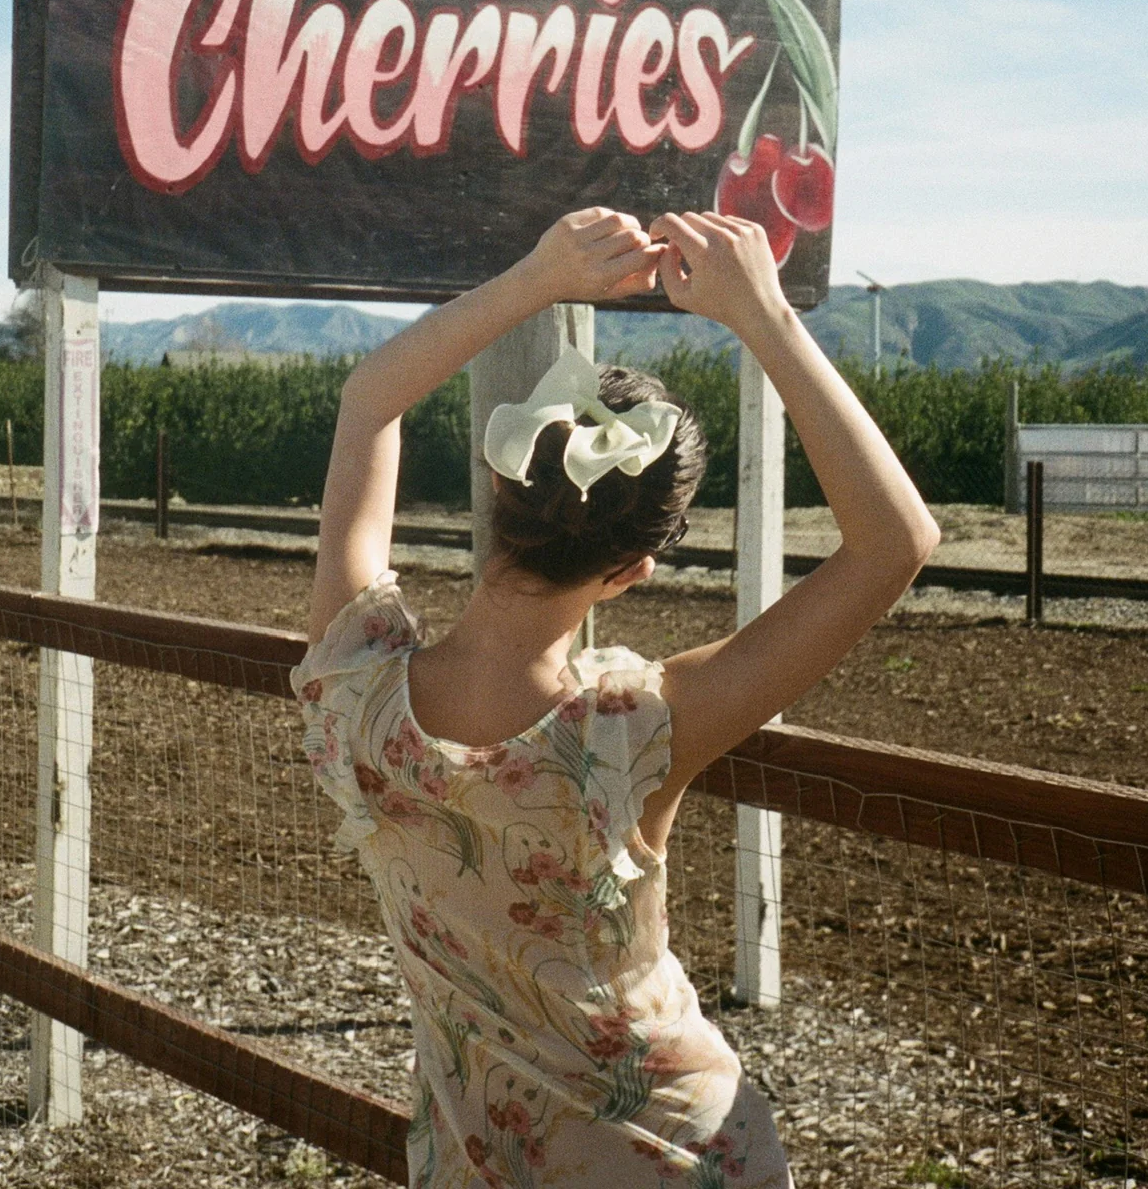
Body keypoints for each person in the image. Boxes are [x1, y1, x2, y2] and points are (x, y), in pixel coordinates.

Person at [292, 206, 939, 1188]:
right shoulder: (636, 728)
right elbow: (897, 541)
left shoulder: (356, 686)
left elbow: (368, 400)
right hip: (686, 1152)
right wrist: (761, 315)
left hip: (479, 1162)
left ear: (499, 490)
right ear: (634, 568)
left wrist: (536, 280)